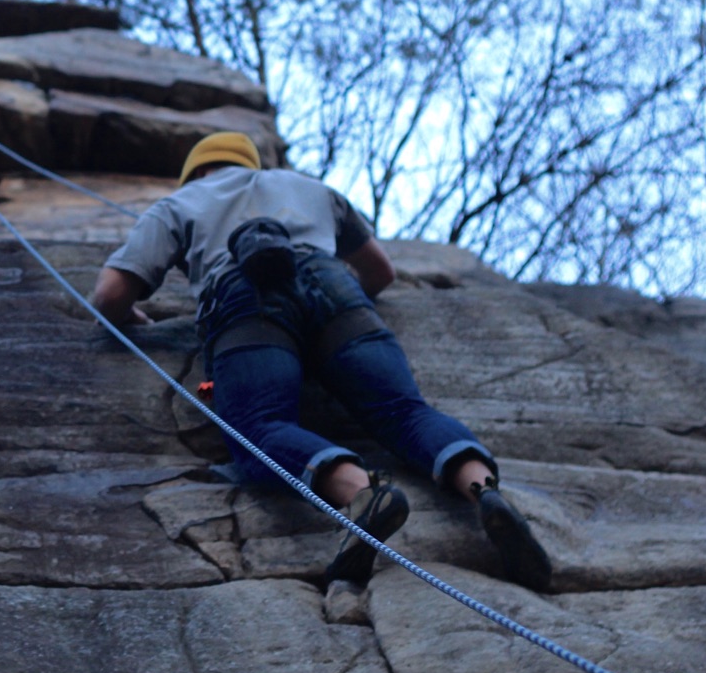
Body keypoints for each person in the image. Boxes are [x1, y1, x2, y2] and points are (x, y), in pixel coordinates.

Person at [89, 131, 552, 590]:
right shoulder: (310, 187)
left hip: (246, 301)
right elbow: (380, 272)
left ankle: (362, 493)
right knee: (404, 411)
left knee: (257, 426)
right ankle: (483, 490)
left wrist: (134, 315)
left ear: (198, 171)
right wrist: (340, 316)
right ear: (252, 163)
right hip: (335, 288)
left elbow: (110, 295)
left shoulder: (180, 202)